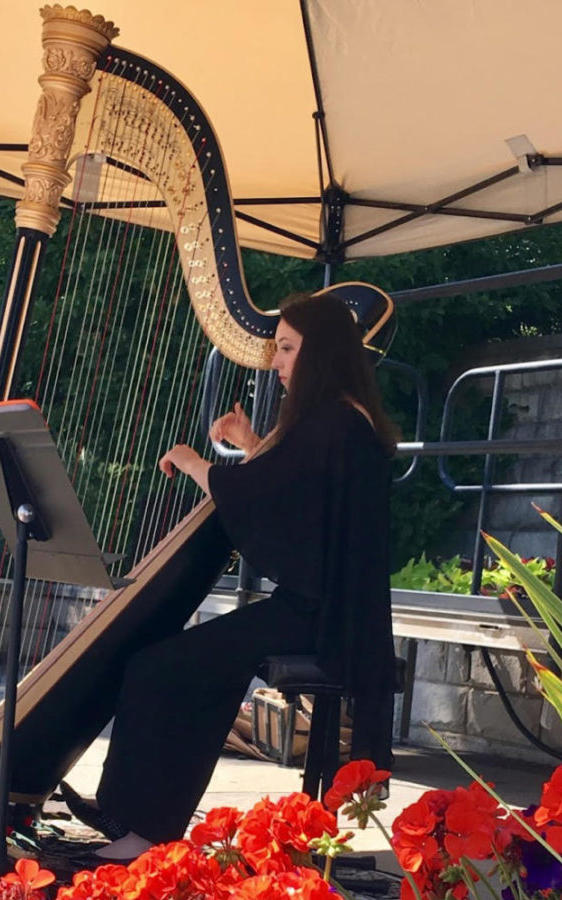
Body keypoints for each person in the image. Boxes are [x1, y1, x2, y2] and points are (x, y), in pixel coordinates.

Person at [61, 291, 398, 863]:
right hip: (326, 608)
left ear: (320, 353)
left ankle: (142, 824)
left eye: (288, 349)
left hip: (322, 617)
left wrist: (198, 464)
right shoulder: (343, 419)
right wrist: (248, 444)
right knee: (184, 666)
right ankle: (143, 816)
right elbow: (290, 484)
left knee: (159, 667)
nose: (277, 362)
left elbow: (260, 494)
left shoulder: (336, 423)